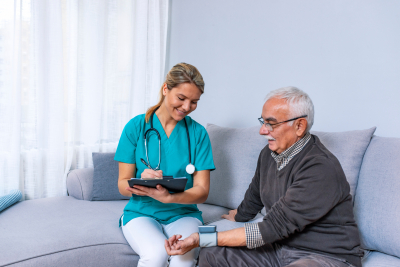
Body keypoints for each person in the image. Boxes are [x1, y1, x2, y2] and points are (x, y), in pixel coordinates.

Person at [165, 86, 364, 267]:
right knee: (213, 254)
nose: (262, 131)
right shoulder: (269, 154)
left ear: (299, 126)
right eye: (263, 122)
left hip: (325, 256)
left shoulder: (320, 168)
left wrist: (201, 237)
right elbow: (254, 197)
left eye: (271, 124)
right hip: (278, 248)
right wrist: (239, 214)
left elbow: (270, 228)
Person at [115, 63, 215, 267]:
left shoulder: (198, 134)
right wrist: (140, 181)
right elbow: (122, 185)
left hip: (184, 214)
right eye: (181, 98)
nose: (187, 107)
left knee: (183, 258)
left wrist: (171, 198)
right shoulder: (136, 127)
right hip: (141, 213)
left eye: (194, 102)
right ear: (165, 89)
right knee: (155, 255)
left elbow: (202, 191)